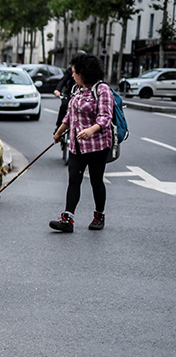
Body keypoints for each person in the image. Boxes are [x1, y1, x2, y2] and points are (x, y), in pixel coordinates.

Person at [50, 53, 113, 233]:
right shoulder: (77, 90)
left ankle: (99, 215)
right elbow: (70, 116)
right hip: (77, 145)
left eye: (75, 72)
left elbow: (105, 117)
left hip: (97, 145)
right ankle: (67, 219)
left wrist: (91, 130)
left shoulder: (102, 90)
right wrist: (59, 132)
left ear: (84, 73)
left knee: (96, 180)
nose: (72, 75)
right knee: (74, 180)